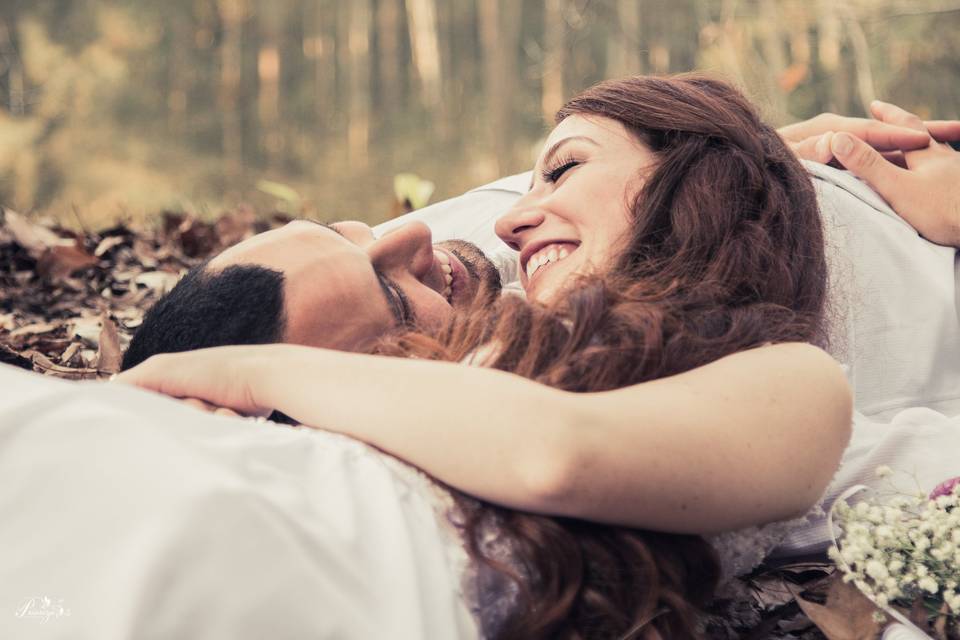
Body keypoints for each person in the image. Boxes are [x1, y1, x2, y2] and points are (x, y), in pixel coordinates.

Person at [119, 75, 855, 638]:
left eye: (561, 169)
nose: (503, 222)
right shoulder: (474, 345)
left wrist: (243, 373)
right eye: (399, 308)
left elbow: (557, 452)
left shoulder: (796, 385)